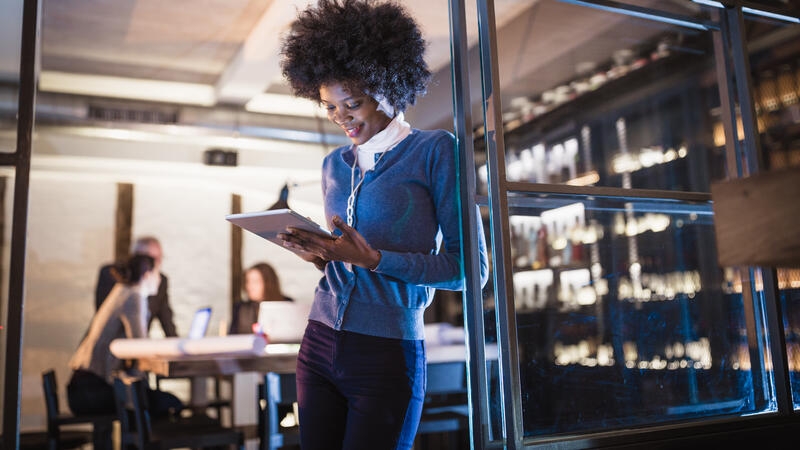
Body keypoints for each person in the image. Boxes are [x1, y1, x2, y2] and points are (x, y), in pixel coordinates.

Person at [277, 1, 489, 448]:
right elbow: (348, 262)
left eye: (351, 103)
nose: (341, 118)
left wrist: (373, 259)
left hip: (386, 352)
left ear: (387, 86)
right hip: (317, 344)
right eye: (329, 106)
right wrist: (323, 257)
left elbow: (470, 270)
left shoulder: (435, 151)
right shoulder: (334, 164)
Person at [67, 254, 184, 449]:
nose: (160, 278)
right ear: (147, 274)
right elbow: (141, 345)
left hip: (84, 388)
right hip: (91, 391)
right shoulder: (134, 296)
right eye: (157, 273)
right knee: (168, 403)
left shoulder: (122, 291)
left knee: (148, 402)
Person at [95, 236, 177, 337]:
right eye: (152, 260)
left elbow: (167, 322)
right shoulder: (130, 294)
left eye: (160, 258)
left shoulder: (159, 282)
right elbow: (137, 339)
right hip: (114, 346)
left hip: (130, 346)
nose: (157, 265)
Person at [229, 262, 294, 335]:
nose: (250, 287)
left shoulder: (286, 305)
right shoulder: (241, 308)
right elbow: (232, 336)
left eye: (255, 282)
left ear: (268, 283)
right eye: (248, 281)